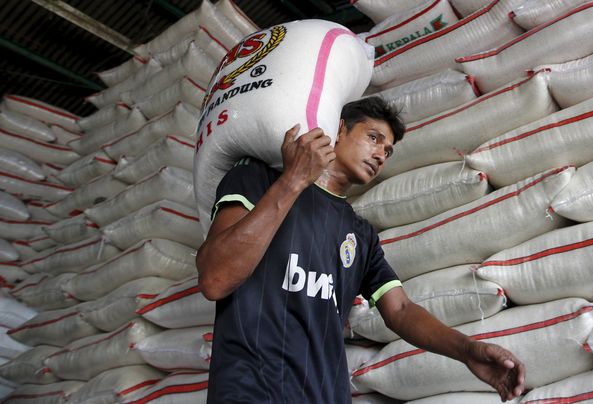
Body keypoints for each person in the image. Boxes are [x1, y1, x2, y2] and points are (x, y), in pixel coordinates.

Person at [197, 96, 526, 403]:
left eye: (389, 150)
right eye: (373, 137)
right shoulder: (256, 179)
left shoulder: (360, 235)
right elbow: (215, 279)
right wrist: (294, 179)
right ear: (338, 129)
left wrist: (467, 351)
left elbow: (400, 311)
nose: (382, 154)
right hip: (251, 392)